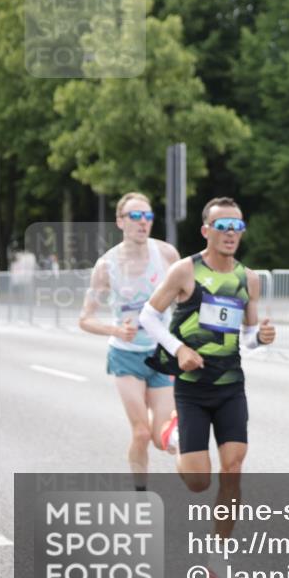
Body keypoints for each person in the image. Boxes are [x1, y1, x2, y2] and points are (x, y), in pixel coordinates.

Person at [139, 197, 276, 578]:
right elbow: (149, 315)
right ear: (206, 231)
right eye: (223, 226)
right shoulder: (186, 270)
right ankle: (174, 435)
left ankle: (219, 556)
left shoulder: (249, 278)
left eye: (237, 226)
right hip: (192, 389)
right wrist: (179, 349)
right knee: (198, 482)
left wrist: (261, 337)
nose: (231, 233)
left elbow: (247, 337)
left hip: (231, 386)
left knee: (232, 469)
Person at [79, 192, 180, 491]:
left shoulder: (167, 255)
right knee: (141, 433)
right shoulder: (106, 265)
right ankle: (140, 492)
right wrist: (115, 330)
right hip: (126, 355)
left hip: (161, 354)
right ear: (120, 221)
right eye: (135, 216)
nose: (142, 222)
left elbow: (187, 299)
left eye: (147, 216)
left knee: (162, 438)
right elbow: (85, 319)